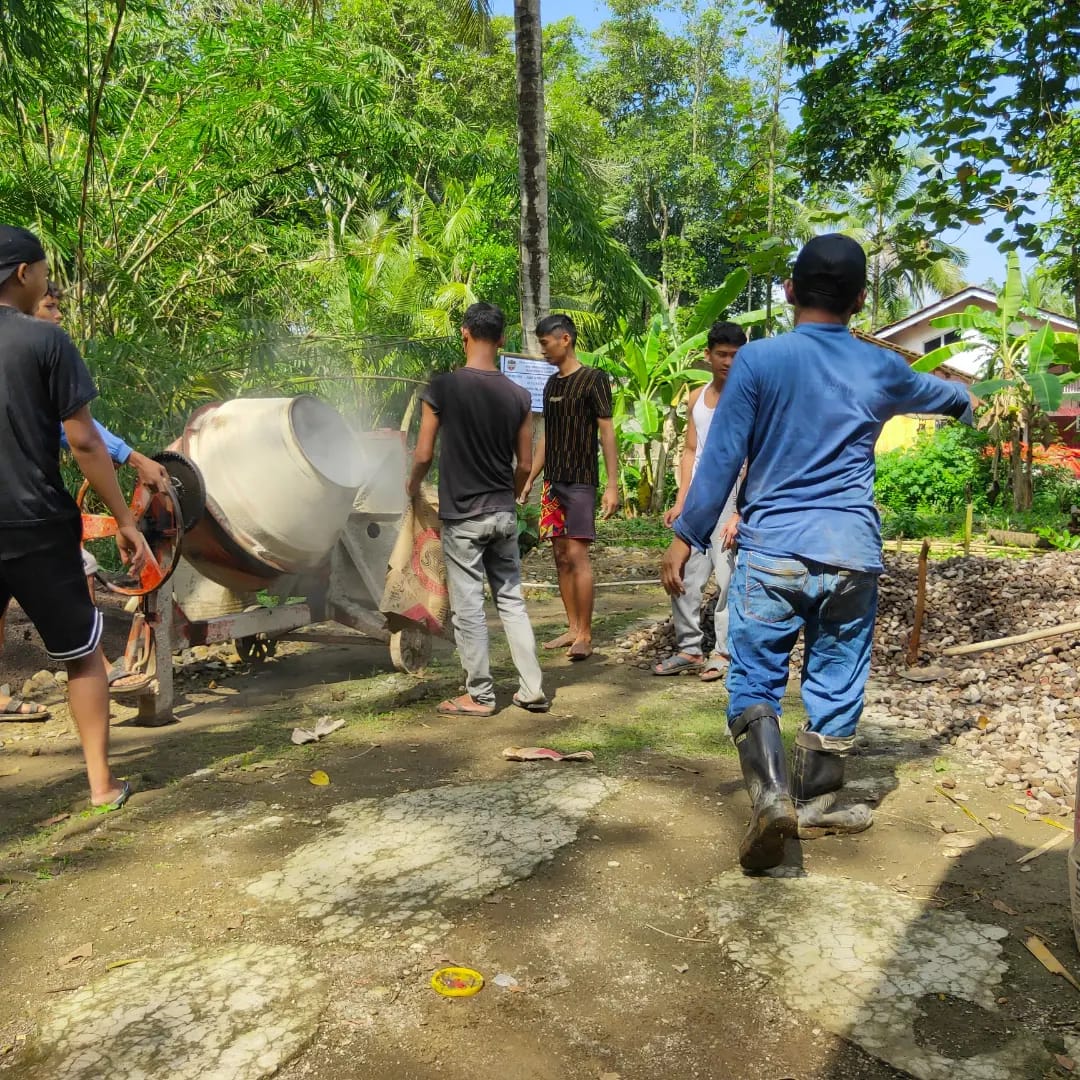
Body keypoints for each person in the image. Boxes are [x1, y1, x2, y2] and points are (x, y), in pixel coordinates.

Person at [661, 234, 976, 871]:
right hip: (852, 553)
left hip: (774, 548)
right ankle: (820, 801)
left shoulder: (757, 362)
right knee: (836, 677)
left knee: (754, 676)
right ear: (861, 300)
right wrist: (971, 400)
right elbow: (951, 398)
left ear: (788, 293)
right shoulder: (881, 367)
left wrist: (685, 537)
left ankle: (771, 795)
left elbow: (721, 459)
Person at [0, 225, 150, 807]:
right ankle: (100, 784)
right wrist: (126, 520)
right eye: (42, 270)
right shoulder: (45, 342)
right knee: (82, 652)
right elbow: (84, 441)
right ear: (22, 275)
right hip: (34, 522)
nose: (45, 281)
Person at [407, 302, 548, 717]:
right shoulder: (519, 395)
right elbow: (524, 464)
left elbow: (423, 453)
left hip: (464, 517)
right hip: (503, 513)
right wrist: (516, 494)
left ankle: (481, 696)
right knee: (511, 601)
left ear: (464, 334)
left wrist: (411, 487)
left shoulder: (442, 388)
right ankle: (532, 688)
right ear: (501, 339)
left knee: (468, 605)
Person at [519, 314, 619, 662]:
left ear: (565, 339)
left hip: (581, 480)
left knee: (577, 555)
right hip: (553, 482)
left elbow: (606, 431)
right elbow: (549, 434)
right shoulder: (552, 386)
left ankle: (586, 635)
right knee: (559, 556)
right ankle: (573, 627)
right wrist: (531, 475)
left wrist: (612, 484)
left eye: (545, 343)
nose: (543, 350)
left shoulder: (594, 379)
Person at [654, 321, 747, 681]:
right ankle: (689, 648)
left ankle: (723, 651)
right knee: (684, 573)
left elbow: (753, 455)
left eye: (735, 356)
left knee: (727, 574)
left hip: (734, 494)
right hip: (699, 496)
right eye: (721, 354)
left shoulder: (748, 396)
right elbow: (690, 451)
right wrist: (682, 500)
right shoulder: (696, 397)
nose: (728, 362)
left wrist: (741, 510)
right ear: (707, 355)